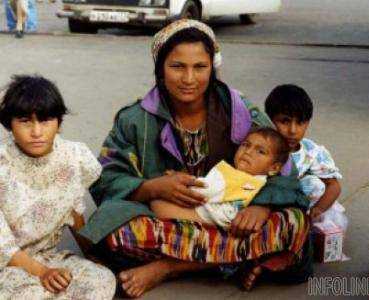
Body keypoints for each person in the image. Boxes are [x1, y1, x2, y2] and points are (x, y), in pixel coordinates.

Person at [80, 19, 311, 298]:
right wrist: (153, 188)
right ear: (160, 70)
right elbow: (103, 178)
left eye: (200, 67)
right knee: (117, 232)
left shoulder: (239, 110)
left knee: (294, 221)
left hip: (237, 220)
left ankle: (171, 266)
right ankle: (236, 260)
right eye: (177, 66)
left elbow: (286, 170)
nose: (189, 79)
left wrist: (262, 206)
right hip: (175, 221)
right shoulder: (134, 120)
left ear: (213, 68)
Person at [0, 75, 116, 299]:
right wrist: (43, 273)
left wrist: (93, 258)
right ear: (9, 125)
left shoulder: (73, 156)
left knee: (101, 279)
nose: (36, 132)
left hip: (47, 257)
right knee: (31, 294)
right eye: (25, 121)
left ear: (59, 123)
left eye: (45, 121)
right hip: (8, 264)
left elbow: (74, 212)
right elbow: (2, 245)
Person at [151, 127, 290, 229]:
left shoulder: (236, 176)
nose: (248, 152)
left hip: (210, 218)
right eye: (246, 145)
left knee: (157, 203)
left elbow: (207, 190)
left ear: (275, 168)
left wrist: (182, 181)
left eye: (260, 151)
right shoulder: (260, 181)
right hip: (225, 218)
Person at [264, 84, 347, 230]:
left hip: (308, 213)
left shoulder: (312, 152)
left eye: (300, 122)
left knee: (315, 185)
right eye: (284, 121)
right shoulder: (260, 149)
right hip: (274, 209)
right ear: (269, 120)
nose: (293, 130)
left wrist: (319, 210)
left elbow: (333, 186)